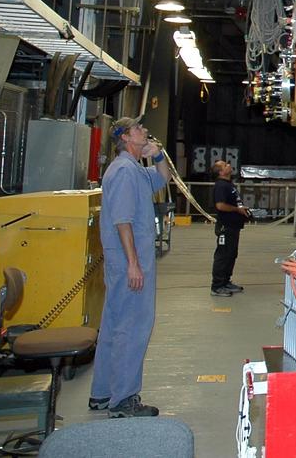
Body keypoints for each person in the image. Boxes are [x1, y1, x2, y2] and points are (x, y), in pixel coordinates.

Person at [89, 116, 172, 418]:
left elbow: (164, 177)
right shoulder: (125, 171)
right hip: (130, 262)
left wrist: (158, 154)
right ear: (125, 137)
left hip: (126, 261)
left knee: (113, 325)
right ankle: (123, 400)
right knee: (132, 327)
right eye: (138, 129)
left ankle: (102, 392)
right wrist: (133, 265)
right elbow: (122, 220)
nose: (144, 130)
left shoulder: (135, 169)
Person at [211, 160, 251, 296]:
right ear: (221, 172)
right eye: (225, 165)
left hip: (234, 226)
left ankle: (225, 281)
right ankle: (217, 286)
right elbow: (220, 205)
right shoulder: (221, 186)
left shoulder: (229, 184)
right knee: (223, 255)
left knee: (231, 254)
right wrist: (237, 209)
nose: (228, 165)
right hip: (225, 226)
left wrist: (241, 210)